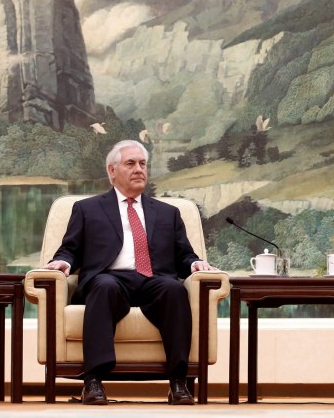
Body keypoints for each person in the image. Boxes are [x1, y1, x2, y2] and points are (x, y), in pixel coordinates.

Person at [41, 140, 216, 406]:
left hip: (154, 280)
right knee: (104, 286)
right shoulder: (88, 209)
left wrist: (195, 265)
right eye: (130, 163)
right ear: (112, 171)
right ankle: (94, 381)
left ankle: (179, 382)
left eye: (143, 164)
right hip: (109, 278)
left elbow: (184, 256)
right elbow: (70, 249)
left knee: (175, 290)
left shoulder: (169, 213)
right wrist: (63, 263)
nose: (139, 169)